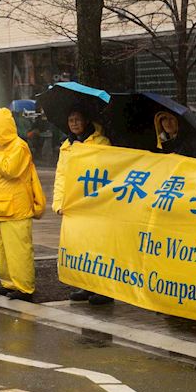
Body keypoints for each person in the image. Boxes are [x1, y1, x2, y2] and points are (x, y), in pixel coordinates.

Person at [53, 110, 112, 305]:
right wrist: (59, 202)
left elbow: (105, 170)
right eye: (70, 120)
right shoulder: (66, 146)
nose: (74, 123)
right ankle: (86, 285)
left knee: (99, 247)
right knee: (81, 247)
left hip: (95, 204)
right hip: (74, 204)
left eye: (77, 119)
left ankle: (103, 289)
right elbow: (61, 175)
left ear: (86, 121)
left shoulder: (102, 142)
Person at [0, 107, 45, 302]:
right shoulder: (2, 149)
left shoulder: (19, 147)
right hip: (2, 208)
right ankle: (9, 283)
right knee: (4, 252)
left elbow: (10, 169)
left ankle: (24, 287)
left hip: (16, 209)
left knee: (18, 251)